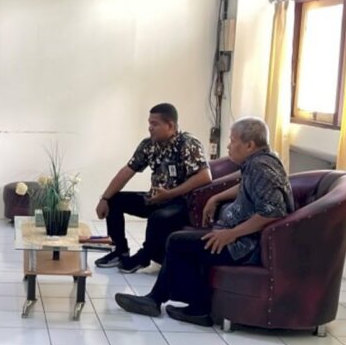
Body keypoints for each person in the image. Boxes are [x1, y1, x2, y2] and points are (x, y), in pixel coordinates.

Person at [115, 117, 294, 326]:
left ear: (249, 145)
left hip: (245, 245)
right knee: (182, 241)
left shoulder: (261, 167)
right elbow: (248, 187)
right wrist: (216, 198)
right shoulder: (259, 162)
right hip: (238, 237)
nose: (228, 145)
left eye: (232, 140)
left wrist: (231, 234)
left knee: (178, 242)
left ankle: (170, 304)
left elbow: (273, 212)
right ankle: (184, 304)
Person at [95, 103, 212, 273]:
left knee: (158, 217)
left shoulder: (188, 143)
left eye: (154, 124)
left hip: (180, 202)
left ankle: (143, 257)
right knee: (114, 201)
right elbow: (127, 171)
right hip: (156, 198)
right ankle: (120, 251)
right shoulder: (148, 145)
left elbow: (205, 176)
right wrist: (104, 198)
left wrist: (169, 194)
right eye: (149, 123)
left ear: (170, 125)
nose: (150, 128)